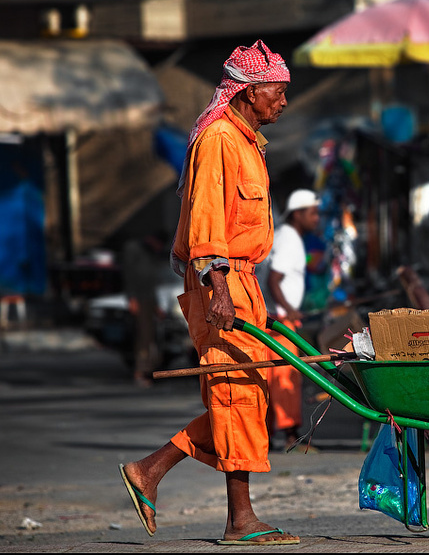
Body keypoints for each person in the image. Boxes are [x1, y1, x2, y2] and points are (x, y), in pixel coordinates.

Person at [118, 39, 300, 546]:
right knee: (235, 394)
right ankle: (239, 519)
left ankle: (150, 470)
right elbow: (206, 222)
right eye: (277, 92)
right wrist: (218, 287)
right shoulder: (219, 138)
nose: (283, 102)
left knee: (247, 395)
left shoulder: (246, 142)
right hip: (220, 284)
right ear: (246, 93)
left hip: (242, 281)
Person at [261, 189, 321, 451]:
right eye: (312, 213)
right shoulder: (289, 239)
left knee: (274, 379)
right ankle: (290, 436)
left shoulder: (289, 236)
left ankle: (274, 434)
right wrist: (289, 309)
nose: (317, 218)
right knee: (286, 379)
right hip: (280, 323)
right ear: (298, 214)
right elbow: (274, 280)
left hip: (280, 320)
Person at [121, 233, 165, 387]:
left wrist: (156, 305)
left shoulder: (150, 255)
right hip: (139, 299)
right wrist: (132, 298)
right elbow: (130, 276)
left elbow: (150, 281)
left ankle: (148, 370)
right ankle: (140, 372)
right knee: (143, 336)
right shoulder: (134, 249)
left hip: (149, 299)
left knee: (151, 336)